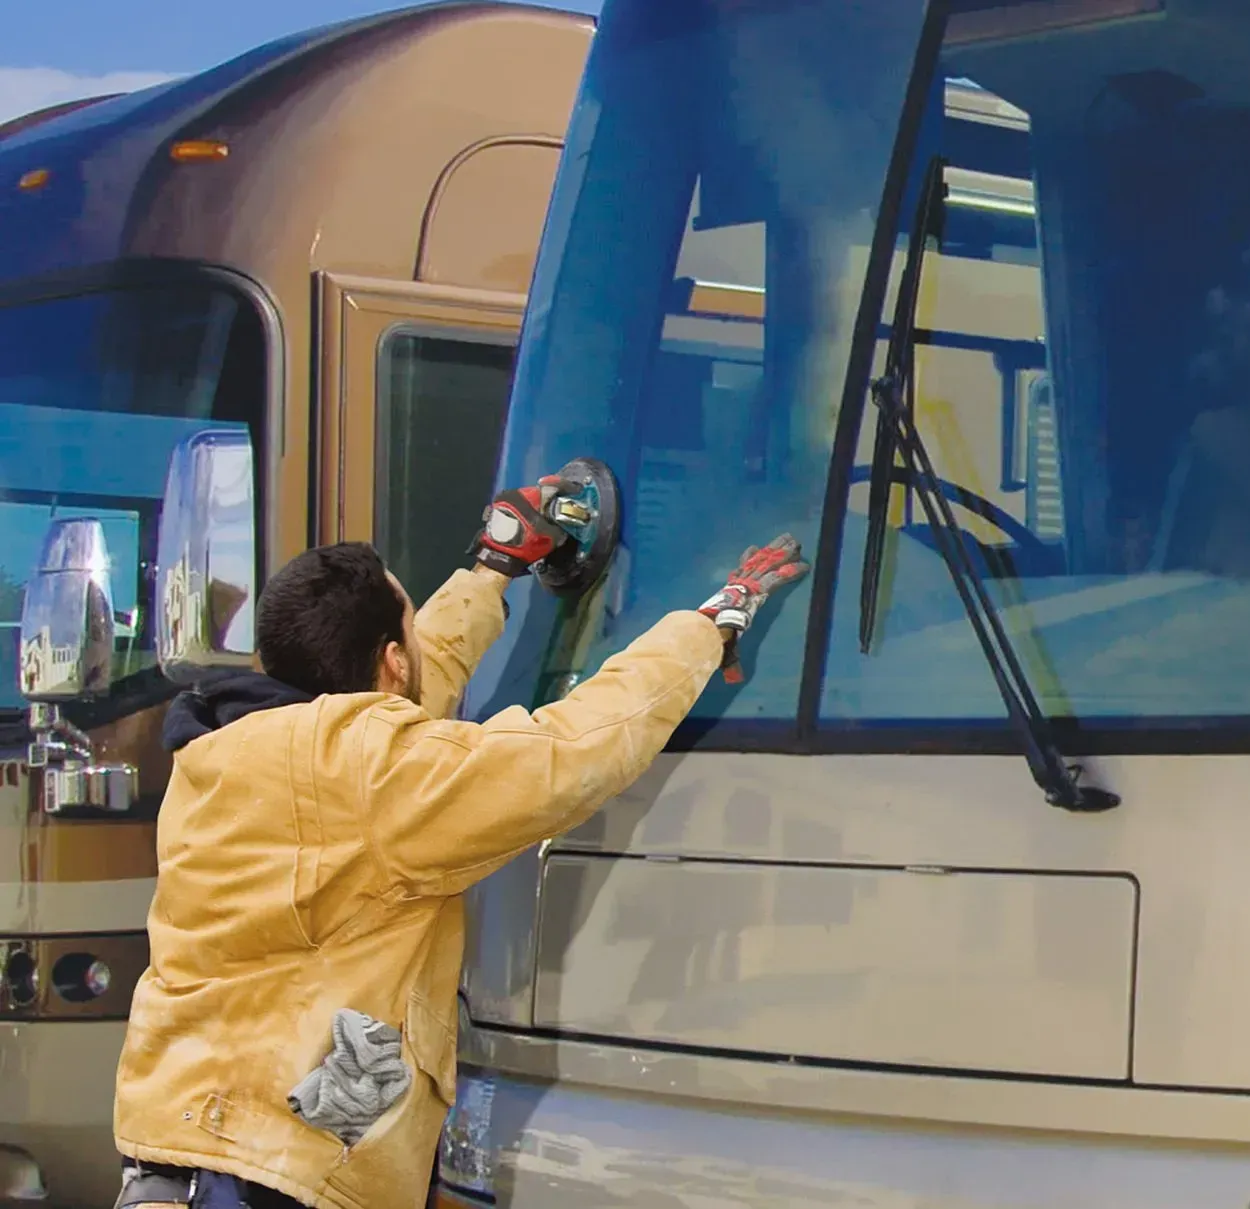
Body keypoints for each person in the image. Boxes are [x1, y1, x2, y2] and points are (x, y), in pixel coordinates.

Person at [110, 471, 808, 1209]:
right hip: (268, 1182)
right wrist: (708, 623)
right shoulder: (371, 774)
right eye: (407, 633)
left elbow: (406, 693)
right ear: (389, 660)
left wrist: (493, 568)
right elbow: (568, 752)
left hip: (185, 1159)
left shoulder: (228, 754)